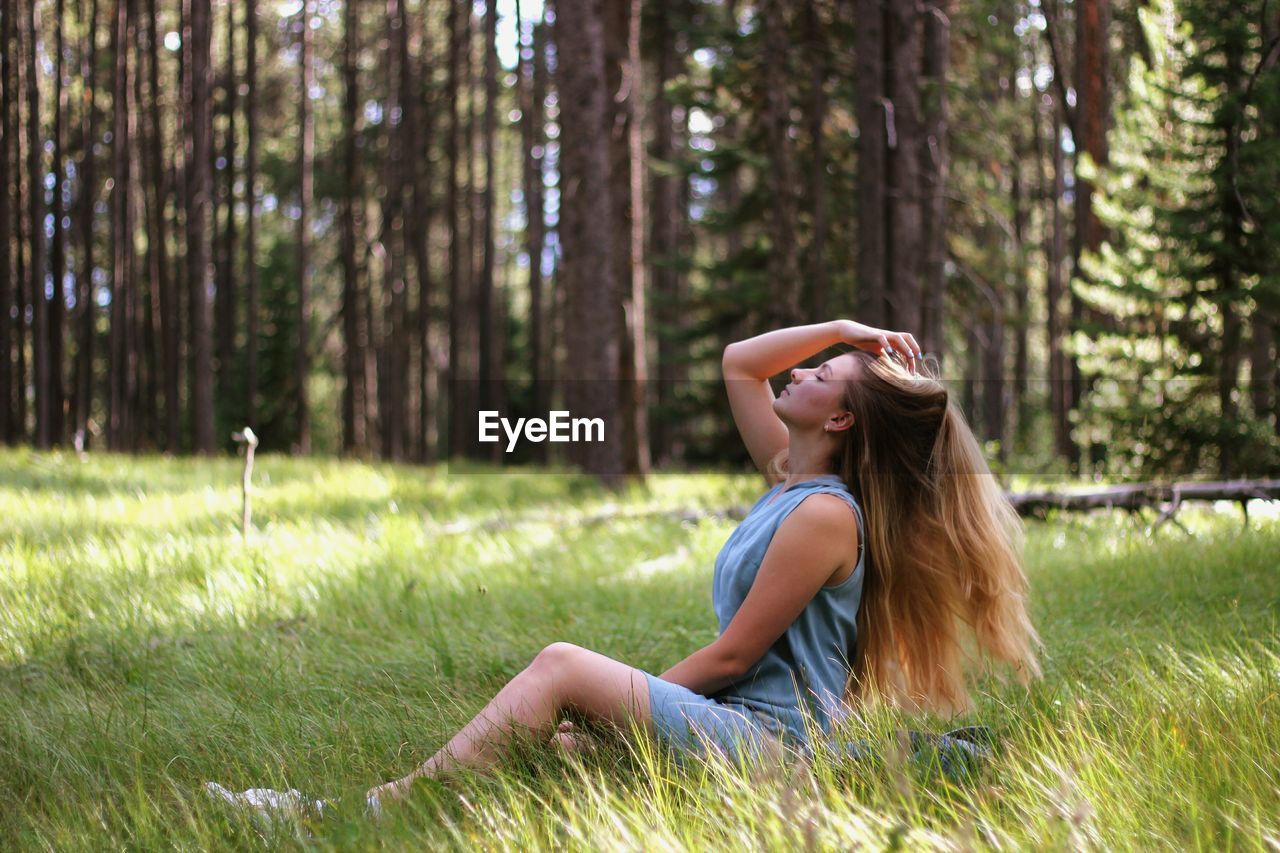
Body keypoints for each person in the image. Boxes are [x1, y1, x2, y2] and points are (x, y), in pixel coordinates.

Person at [365, 319, 1042, 809]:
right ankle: (435, 811)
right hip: (735, 726)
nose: (802, 370)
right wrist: (842, 330)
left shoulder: (826, 517)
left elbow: (730, 658)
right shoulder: (788, 480)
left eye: (823, 374)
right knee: (543, 745)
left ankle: (388, 806)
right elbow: (739, 364)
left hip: (775, 748)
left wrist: (618, 702)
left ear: (838, 421)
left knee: (561, 667)